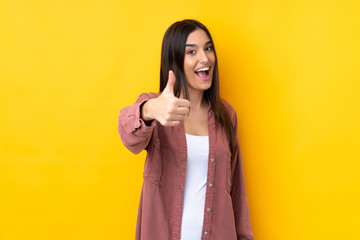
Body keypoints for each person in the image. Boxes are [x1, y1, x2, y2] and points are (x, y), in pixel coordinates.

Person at [118, 19, 254, 240]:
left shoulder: (226, 115)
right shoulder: (158, 108)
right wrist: (149, 110)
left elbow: (237, 194)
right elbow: (128, 135)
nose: (205, 58)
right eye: (192, 52)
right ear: (175, 61)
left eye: (208, 48)